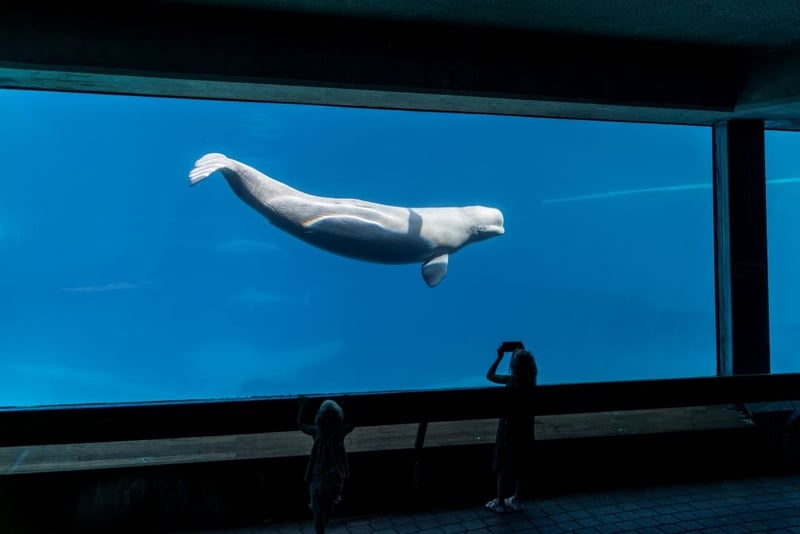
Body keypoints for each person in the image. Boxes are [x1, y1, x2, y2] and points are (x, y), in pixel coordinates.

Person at [484, 343, 538, 513]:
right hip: (525, 427)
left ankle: (500, 502)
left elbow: (490, 376)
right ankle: (516, 499)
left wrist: (499, 357)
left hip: (508, 427)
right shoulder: (532, 381)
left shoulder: (510, 380)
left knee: (502, 462)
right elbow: (527, 363)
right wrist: (520, 349)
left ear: (513, 366)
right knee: (521, 459)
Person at [297, 396, 355, 534]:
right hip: (335, 479)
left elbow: (301, 424)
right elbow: (352, 424)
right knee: (329, 506)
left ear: (318, 418)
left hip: (318, 478)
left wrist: (303, 405)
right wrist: (347, 404)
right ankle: (325, 521)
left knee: (317, 512)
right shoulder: (340, 432)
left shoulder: (317, 431)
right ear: (340, 419)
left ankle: (320, 531)